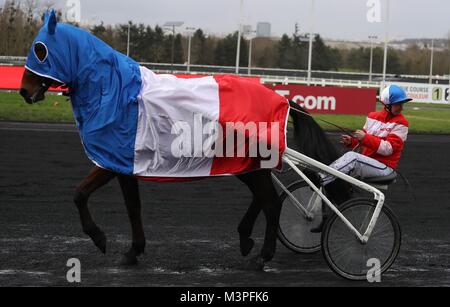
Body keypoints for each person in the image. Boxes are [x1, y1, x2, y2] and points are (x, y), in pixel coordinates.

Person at [311, 84, 412, 233]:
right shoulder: (372, 117)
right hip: (367, 165)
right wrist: (351, 141)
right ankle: (327, 217)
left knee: (351, 159)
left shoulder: (401, 123)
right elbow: (362, 140)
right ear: (387, 105)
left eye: (402, 104)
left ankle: (319, 178)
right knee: (334, 177)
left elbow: (387, 149)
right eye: (398, 104)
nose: (401, 107)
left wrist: (365, 138)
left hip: (384, 168)